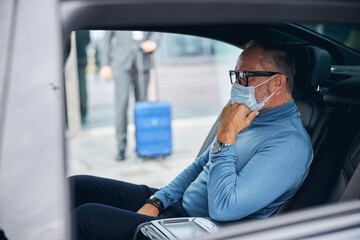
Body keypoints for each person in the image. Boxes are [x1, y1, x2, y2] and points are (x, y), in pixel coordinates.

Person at [70, 39, 313, 240]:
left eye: (245, 76)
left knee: (85, 218)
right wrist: (157, 201)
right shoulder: (250, 114)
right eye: (235, 75)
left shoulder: (290, 144)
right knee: (77, 187)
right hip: (177, 208)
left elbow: (223, 208)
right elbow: (200, 166)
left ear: (278, 82)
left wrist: (226, 135)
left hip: (198, 229)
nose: (237, 84)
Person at [100, 31, 161, 160]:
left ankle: (143, 147)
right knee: (121, 107)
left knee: (142, 108)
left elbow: (156, 29)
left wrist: (154, 41)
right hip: (121, 64)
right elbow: (107, 38)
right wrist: (105, 63)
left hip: (143, 61)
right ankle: (121, 148)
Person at [76, 31, 90, 124]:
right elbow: (88, 39)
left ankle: (81, 110)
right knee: (82, 86)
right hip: (81, 56)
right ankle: (83, 111)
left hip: (73, 58)